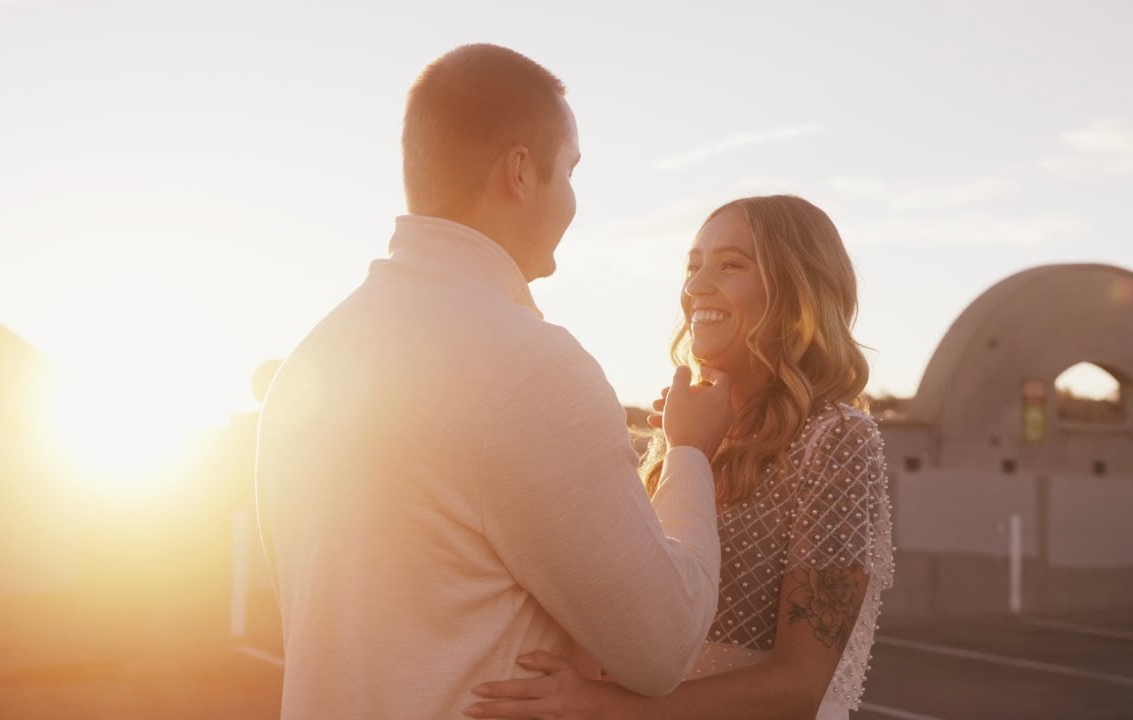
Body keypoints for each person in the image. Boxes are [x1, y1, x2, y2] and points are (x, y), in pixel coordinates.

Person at [255, 44, 734, 719]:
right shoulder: (533, 368)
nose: (572, 199)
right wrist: (689, 454)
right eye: (570, 171)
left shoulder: (312, 363)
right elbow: (664, 644)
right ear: (521, 172)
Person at [466, 195, 895, 720]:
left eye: (731, 265)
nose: (696, 288)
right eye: (693, 268)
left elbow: (801, 684)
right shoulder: (679, 431)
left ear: (797, 288)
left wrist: (598, 706)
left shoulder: (836, 439)